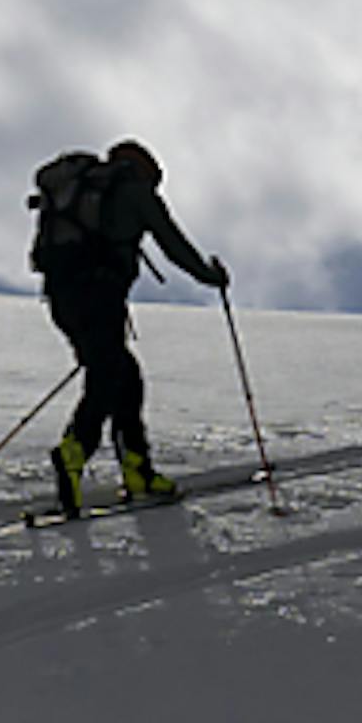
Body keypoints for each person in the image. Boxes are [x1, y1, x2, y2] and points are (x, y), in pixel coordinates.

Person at [27, 137, 229, 517]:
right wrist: (210, 277)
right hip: (100, 295)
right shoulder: (134, 192)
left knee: (123, 375)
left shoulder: (76, 191)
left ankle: (137, 472)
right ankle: (75, 452)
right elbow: (173, 244)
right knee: (110, 375)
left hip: (61, 299)